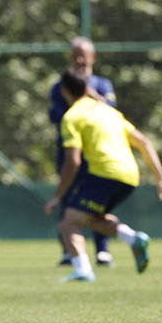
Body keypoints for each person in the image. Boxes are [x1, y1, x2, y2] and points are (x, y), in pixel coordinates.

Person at [43, 67, 162, 283]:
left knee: (68, 223)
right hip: (130, 177)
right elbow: (144, 142)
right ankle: (134, 239)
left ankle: (83, 270)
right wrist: (161, 177)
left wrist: (57, 196)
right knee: (91, 219)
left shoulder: (71, 117)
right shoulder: (110, 112)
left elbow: (73, 161)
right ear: (88, 88)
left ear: (63, 92)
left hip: (104, 174)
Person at [48, 36, 117, 267]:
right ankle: (69, 252)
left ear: (92, 57)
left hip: (96, 156)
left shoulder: (103, 84)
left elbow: (112, 111)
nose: (78, 58)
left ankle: (102, 250)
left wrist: (93, 97)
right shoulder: (60, 86)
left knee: (97, 205)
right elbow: (56, 115)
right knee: (68, 200)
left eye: (83, 54)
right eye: (75, 54)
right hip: (69, 152)